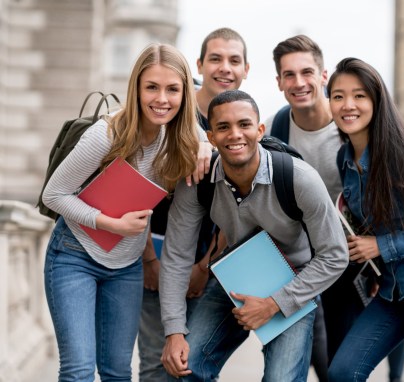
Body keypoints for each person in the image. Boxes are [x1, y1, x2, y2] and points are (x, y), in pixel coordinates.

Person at [42, 43, 212, 382]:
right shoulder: (106, 135)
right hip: (75, 255)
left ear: (185, 94)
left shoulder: (179, 137)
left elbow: (197, 131)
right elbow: (53, 194)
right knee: (78, 370)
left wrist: (205, 143)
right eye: (152, 87)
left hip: (125, 267)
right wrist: (111, 224)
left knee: (118, 373)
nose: (161, 99)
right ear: (136, 88)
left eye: (172, 89)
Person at [159, 89, 348, 381]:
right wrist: (174, 331)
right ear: (210, 137)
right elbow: (176, 256)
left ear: (259, 130)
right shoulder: (198, 182)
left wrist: (274, 303)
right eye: (223, 127)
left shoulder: (300, 178)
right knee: (187, 365)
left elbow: (335, 255)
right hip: (235, 279)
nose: (235, 134)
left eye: (244, 125)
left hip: (294, 281)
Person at [266, 34, 404, 381]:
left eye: (307, 72)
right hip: (311, 253)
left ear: (323, 75)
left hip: (361, 249)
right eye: (289, 75)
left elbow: (387, 191)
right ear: (279, 81)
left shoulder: (350, 126)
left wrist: (381, 255)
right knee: (331, 357)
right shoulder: (277, 126)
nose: (299, 83)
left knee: (388, 317)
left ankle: (396, 375)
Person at [326, 57, 404, 381]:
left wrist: (382, 246)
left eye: (359, 95)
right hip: (392, 286)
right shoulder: (344, 158)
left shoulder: (398, 153)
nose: (347, 105)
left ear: (376, 101)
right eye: (338, 96)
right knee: (342, 372)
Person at [138, 27, 249, 381]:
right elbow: (136, 187)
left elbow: (242, 208)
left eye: (234, 60)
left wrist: (205, 266)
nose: (224, 68)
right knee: (156, 362)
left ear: (246, 69)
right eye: (215, 59)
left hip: (209, 261)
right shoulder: (168, 112)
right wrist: (150, 261)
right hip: (152, 250)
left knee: (196, 364)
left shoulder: (243, 124)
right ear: (199, 65)